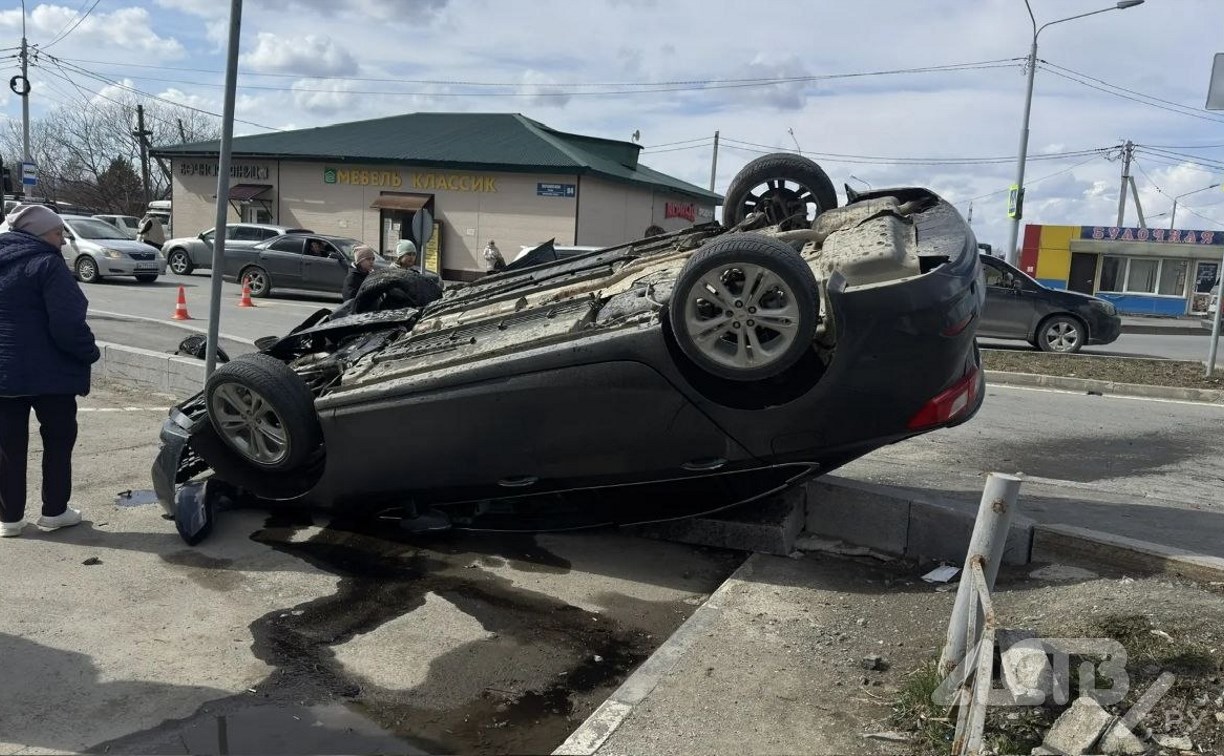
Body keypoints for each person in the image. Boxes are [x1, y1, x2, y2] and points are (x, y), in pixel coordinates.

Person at [0, 204, 100, 538]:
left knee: (7, 447)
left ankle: (9, 518)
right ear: (39, 234)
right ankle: (54, 512)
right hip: (51, 376)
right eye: (58, 233)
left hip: (4, 374)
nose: (62, 240)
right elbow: (67, 323)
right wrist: (88, 352)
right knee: (57, 443)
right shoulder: (47, 263)